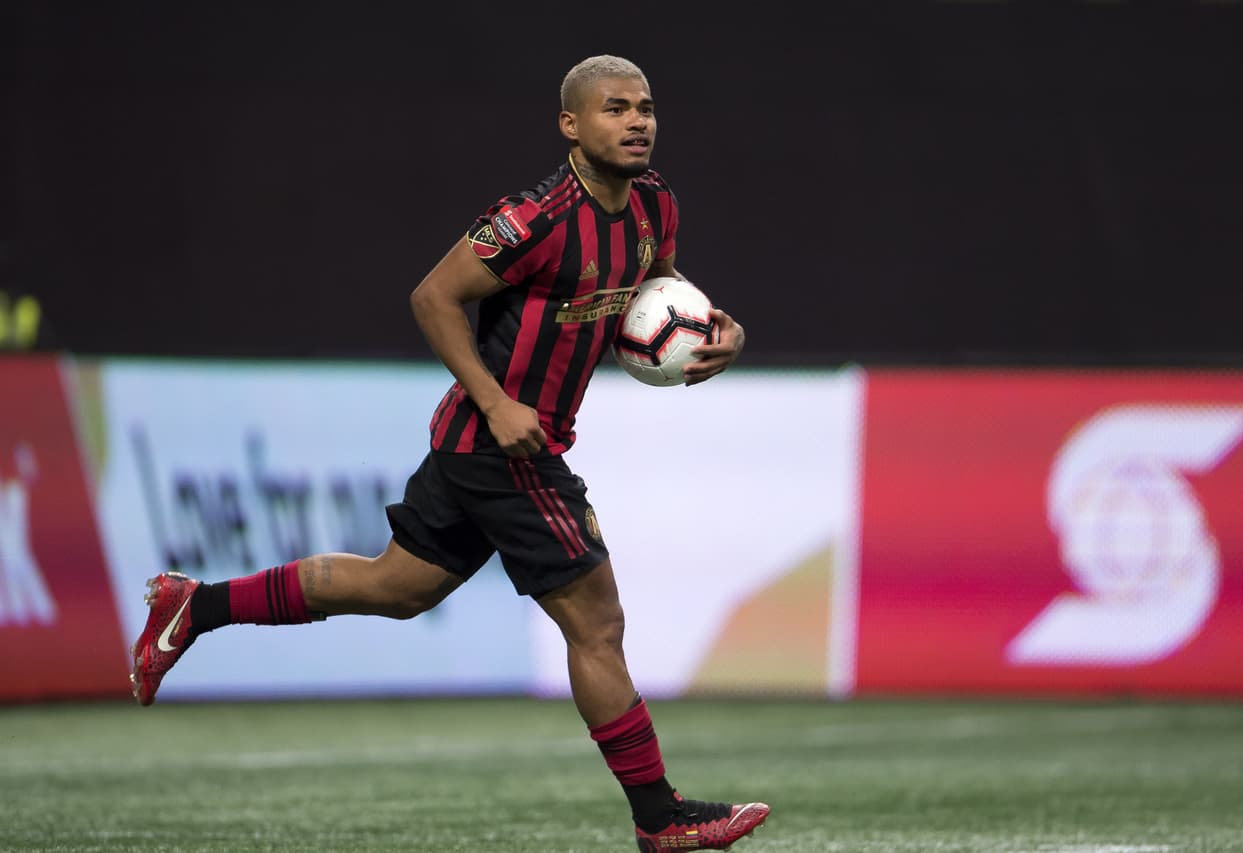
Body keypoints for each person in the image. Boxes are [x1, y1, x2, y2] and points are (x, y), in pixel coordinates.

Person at [129, 54, 770, 851]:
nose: (637, 121)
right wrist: (497, 401)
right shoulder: (533, 218)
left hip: (485, 444)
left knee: (397, 585)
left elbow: (659, 292)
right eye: (615, 108)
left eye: (645, 107)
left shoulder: (654, 204)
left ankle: (195, 605)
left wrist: (716, 331)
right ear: (571, 125)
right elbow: (432, 296)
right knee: (598, 624)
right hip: (503, 446)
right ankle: (660, 818)